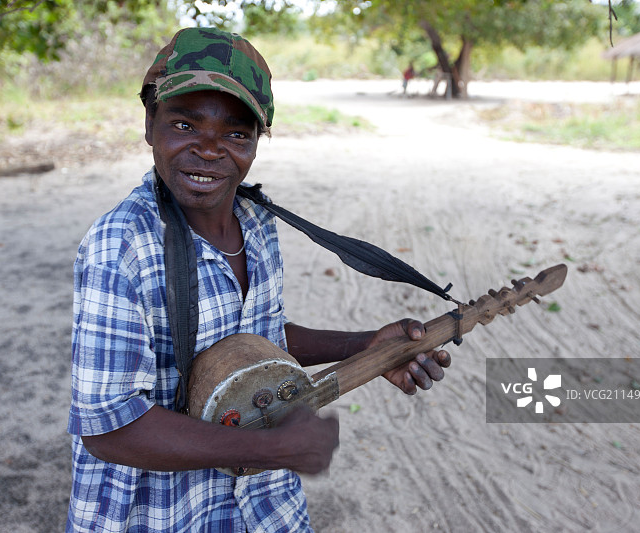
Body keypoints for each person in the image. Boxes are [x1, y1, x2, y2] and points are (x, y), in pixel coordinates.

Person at [67, 27, 452, 532]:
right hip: (162, 513)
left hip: (265, 507)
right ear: (150, 125)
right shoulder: (123, 246)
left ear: (256, 142)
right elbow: (109, 430)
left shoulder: (257, 223)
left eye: (235, 133)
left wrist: (366, 346)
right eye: (184, 124)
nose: (209, 149)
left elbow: (256, 340)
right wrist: (265, 446)